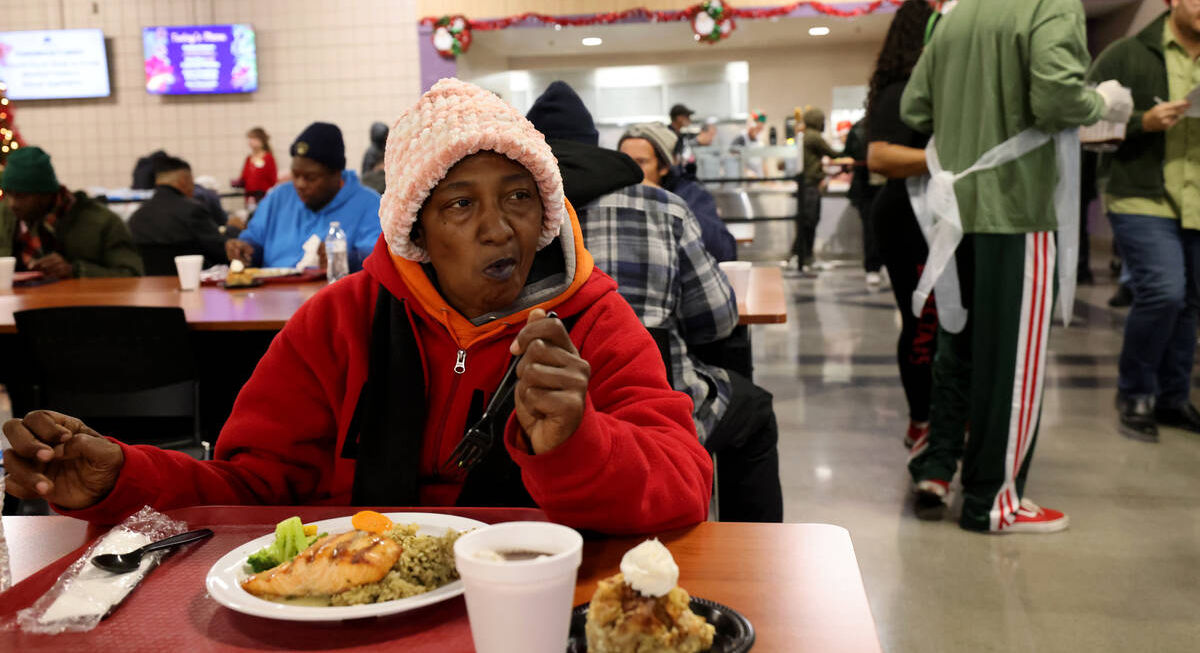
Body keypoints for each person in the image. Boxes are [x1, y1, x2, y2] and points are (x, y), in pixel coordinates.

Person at [1, 78, 712, 534]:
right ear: (414, 231)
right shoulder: (339, 322)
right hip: (356, 615)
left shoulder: (590, 321)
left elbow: (684, 484)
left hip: (533, 613)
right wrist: (125, 478)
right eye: (461, 203)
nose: (500, 228)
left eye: (520, 197)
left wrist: (579, 441)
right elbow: (251, 488)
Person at [900, 0, 1132, 532]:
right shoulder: (1049, 3)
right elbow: (1059, 100)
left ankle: (940, 468)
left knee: (961, 348)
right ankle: (993, 501)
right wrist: (1106, 103)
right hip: (1017, 210)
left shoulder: (959, 11)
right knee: (1015, 363)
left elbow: (918, 107)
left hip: (957, 212)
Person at [527, 81, 782, 522]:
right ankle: (747, 558)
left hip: (538, 411)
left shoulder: (514, 213)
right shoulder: (665, 208)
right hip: (660, 408)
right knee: (755, 412)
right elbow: (716, 320)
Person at [1090, 0, 1200, 441]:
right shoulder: (1127, 54)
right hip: (1139, 192)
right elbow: (1087, 124)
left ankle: (1174, 397)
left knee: (1191, 302)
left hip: (1195, 195)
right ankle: (1135, 391)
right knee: (1163, 291)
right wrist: (1143, 123)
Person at [865, 0, 938, 452]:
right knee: (924, 323)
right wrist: (949, 161)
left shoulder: (921, 87)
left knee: (935, 321)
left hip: (926, 216)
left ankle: (936, 416)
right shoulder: (900, 91)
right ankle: (921, 419)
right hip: (908, 219)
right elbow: (880, 156)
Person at [225, 122, 381, 271]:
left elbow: (378, 260)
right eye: (296, 175)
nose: (300, 184)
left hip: (332, 296)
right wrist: (245, 248)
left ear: (337, 173)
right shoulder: (278, 198)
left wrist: (346, 259)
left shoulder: (369, 205)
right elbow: (255, 238)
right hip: (272, 296)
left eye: (310, 177)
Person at [0, 147, 143, 279]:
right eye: (8, 194)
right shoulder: (4, 218)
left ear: (46, 194)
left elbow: (132, 275)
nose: (12, 204)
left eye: (22, 196)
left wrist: (75, 271)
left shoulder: (101, 223)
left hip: (80, 304)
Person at [618, 122, 737, 262]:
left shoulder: (691, 195)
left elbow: (725, 252)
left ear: (664, 167)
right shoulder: (611, 199)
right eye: (624, 162)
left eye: (641, 162)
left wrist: (663, 198)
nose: (630, 170)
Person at [128, 155, 229, 272]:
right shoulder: (192, 210)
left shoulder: (137, 216)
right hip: (193, 282)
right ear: (184, 181)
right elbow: (220, 251)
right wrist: (231, 231)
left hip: (151, 285)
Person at [789, 107, 844, 271]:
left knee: (807, 221)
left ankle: (803, 257)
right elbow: (833, 153)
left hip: (806, 185)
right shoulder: (813, 136)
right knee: (809, 222)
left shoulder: (805, 135)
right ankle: (802, 257)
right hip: (810, 186)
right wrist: (852, 151)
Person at [841, 118, 885, 287]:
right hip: (866, 187)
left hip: (887, 183)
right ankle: (873, 267)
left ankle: (882, 264)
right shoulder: (858, 129)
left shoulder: (887, 125)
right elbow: (848, 155)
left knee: (886, 227)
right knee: (869, 227)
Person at [235, 127, 277, 207]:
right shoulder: (249, 158)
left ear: (262, 140)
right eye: (250, 138)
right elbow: (244, 177)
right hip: (250, 198)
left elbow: (273, 179)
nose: (251, 141)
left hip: (264, 197)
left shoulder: (268, 158)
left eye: (254, 138)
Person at [729, 111, 767, 177]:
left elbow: (763, 162)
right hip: (746, 180)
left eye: (759, 129)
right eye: (757, 128)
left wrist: (767, 178)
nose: (757, 131)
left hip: (759, 180)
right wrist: (746, 171)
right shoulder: (741, 138)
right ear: (751, 125)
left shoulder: (759, 140)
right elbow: (733, 159)